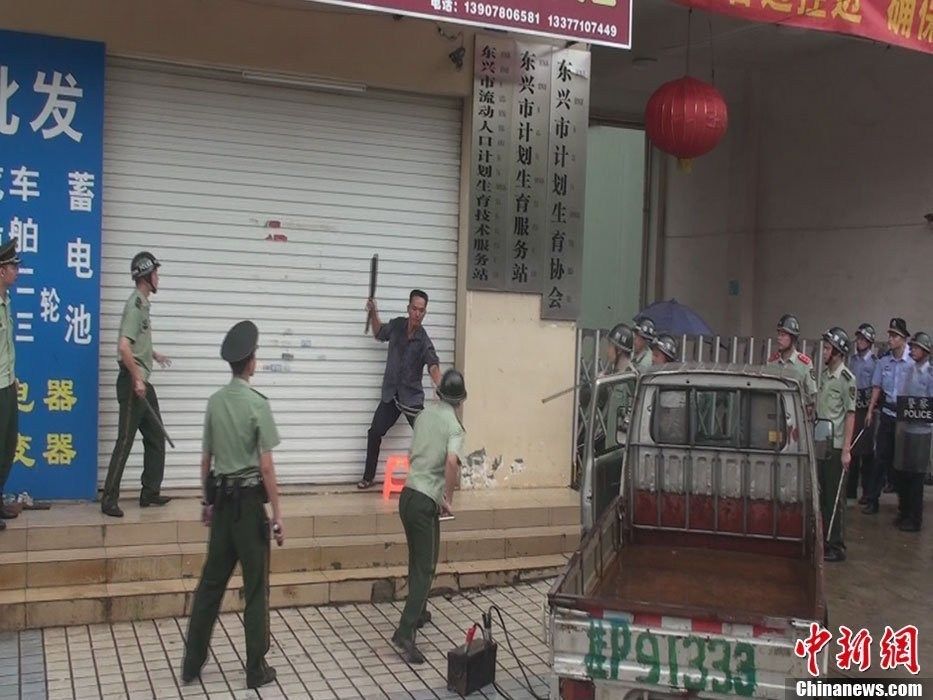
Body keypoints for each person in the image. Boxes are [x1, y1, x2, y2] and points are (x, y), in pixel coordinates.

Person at [182, 320, 284, 689]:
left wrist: (206, 501)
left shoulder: (215, 402)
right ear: (251, 361)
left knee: (210, 585)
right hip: (250, 508)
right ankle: (255, 668)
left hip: (222, 507)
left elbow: (205, 461)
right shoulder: (258, 404)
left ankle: (191, 664)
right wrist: (277, 515)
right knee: (255, 589)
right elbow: (266, 467)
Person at [392, 368, 466, 664]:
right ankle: (405, 632)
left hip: (408, 495)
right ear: (460, 400)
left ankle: (419, 611)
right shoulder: (455, 427)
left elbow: (412, 454)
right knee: (426, 567)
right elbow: (452, 462)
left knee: (417, 559)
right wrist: (448, 497)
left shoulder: (423, 416)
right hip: (425, 502)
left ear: (439, 393)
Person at [101, 251, 172, 517]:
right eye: (155, 273)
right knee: (125, 441)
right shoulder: (135, 306)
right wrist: (137, 379)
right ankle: (109, 499)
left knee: (156, 437)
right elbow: (124, 347)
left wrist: (154, 354)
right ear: (145, 276)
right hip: (133, 384)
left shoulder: (143, 305)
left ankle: (150, 491)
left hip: (142, 382)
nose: (158, 277)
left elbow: (137, 344)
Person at [358, 289, 441, 490]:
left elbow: (433, 364)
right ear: (408, 308)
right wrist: (373, 312)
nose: (417, 314)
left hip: (411, 399)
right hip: (391, 396)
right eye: (414, 309)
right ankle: (368, 477)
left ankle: (432, 480)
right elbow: (378, 332)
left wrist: (440, 384)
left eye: (421, 310)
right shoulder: (396, 326)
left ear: (425, 313)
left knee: (426, 438)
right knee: (374, 432)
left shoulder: (424, 341)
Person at [863, 318, 914, 515]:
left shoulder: (913, 361)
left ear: (903, 338)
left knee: (903, 462)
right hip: (887, 414)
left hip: (906, 418)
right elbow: (876, 387)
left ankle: (905, 505)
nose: (890, 339)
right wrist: (870, 410)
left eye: (894, 336)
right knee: (880, 458)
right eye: (890, 335)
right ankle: (872, 500)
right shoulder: (884, 361)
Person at [816, 327, 856, 562]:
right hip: (821, 441)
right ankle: (825, 539)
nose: (824, 352)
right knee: (823, 496)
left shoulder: (846, 379)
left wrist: (846, 450)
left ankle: (836, 545)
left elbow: (850, 415)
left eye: (828, 348)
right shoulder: (824, 375)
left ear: (838, 353)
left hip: (836, 444)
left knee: (835, 497)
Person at [892, 332, 933, 532]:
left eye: (917, 348)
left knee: (916, 477)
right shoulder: (908, 370)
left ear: (925, 351)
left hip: (921, 432)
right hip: (905, 428)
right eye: (913, 347)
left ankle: (914, 518)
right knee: (902, 474)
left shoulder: (930, 374)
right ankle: (904, 511)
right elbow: (901, 395)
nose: (913, 350)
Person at [0, 240, 21, 529]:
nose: (17, 271)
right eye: (13, 266)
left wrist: (13, 378)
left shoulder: (7, 302)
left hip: (7, 383)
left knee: (8, 445)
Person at [848, 323, 877, 504]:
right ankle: (850, 491)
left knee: (866, 453)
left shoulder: (874, 363)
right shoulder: (852, 360)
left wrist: (871, 411)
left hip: (867, 410)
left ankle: (867, 492)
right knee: (852, 451)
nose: (859, 342)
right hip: (853, 408)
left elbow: (876, 387)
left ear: (869, 342)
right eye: (858, 338)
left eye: (863, 339)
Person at [768, 314, 817, 413]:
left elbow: (811, 400)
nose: (779, 338)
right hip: (774, 414)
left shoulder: (805, 364)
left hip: (796, 416)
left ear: (793, 338)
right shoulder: (772, 362)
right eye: (778, 334)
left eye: (783, 335)